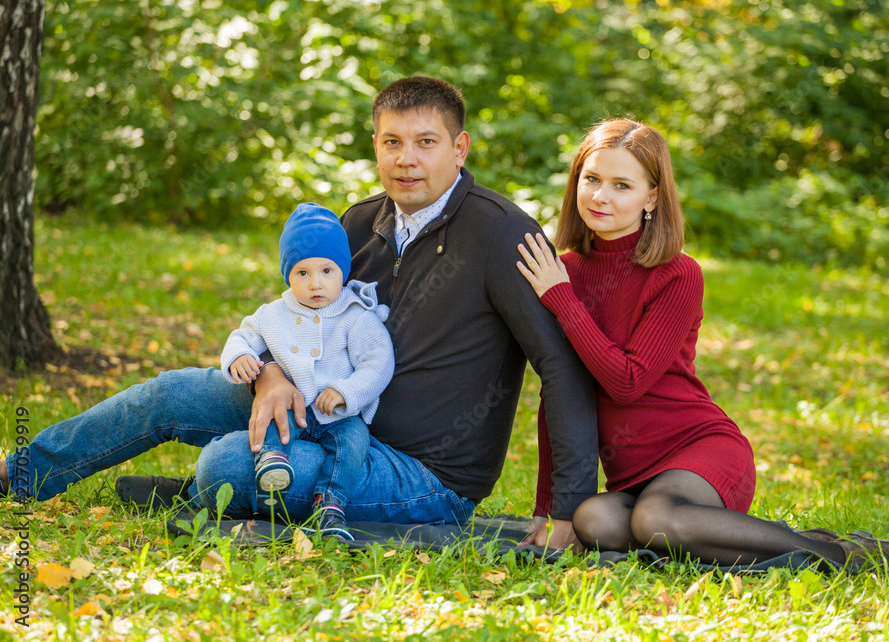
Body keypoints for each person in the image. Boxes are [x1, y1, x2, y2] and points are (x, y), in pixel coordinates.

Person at [1, 77, 597, 539]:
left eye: (426, 142)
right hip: (321, 412)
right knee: (170, 394)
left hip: (422, 476)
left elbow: (561, 368)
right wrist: (272, 374)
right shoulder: (359, 223)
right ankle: (18, 475)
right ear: (375, 146)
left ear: (460, 147)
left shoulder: (503, 235)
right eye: (392, 142)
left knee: (228, 466)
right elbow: (297, 316)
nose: (406, 159)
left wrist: (567, 508)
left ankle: (226, 486)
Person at [516, 118, 889, 571]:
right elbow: (560, 390)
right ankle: (783, 540)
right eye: (591, 179)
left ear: (651, 196)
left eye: (621, 185)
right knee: (593, 521)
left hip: (696, 449)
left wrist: (562, 301)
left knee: (657, 520)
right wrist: (550, 510)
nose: (600, 196)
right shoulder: (560, 270)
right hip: (632, 473)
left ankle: (846, 555)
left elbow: (627, 383)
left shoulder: (676, 274)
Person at [221, 202, 394, 539]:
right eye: (303, 273)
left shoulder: (356, 317)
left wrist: (346, 391)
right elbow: (243, 335)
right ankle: (272, 459)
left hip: (336, 414)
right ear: (288, 274)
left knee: (354, 442)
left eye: (326, 271)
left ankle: (330, 501)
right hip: (293, 406)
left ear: (343, 271)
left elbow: (379, 362)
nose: (316, 284)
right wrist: (240, 355)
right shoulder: (274, 313)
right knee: (272, 415)